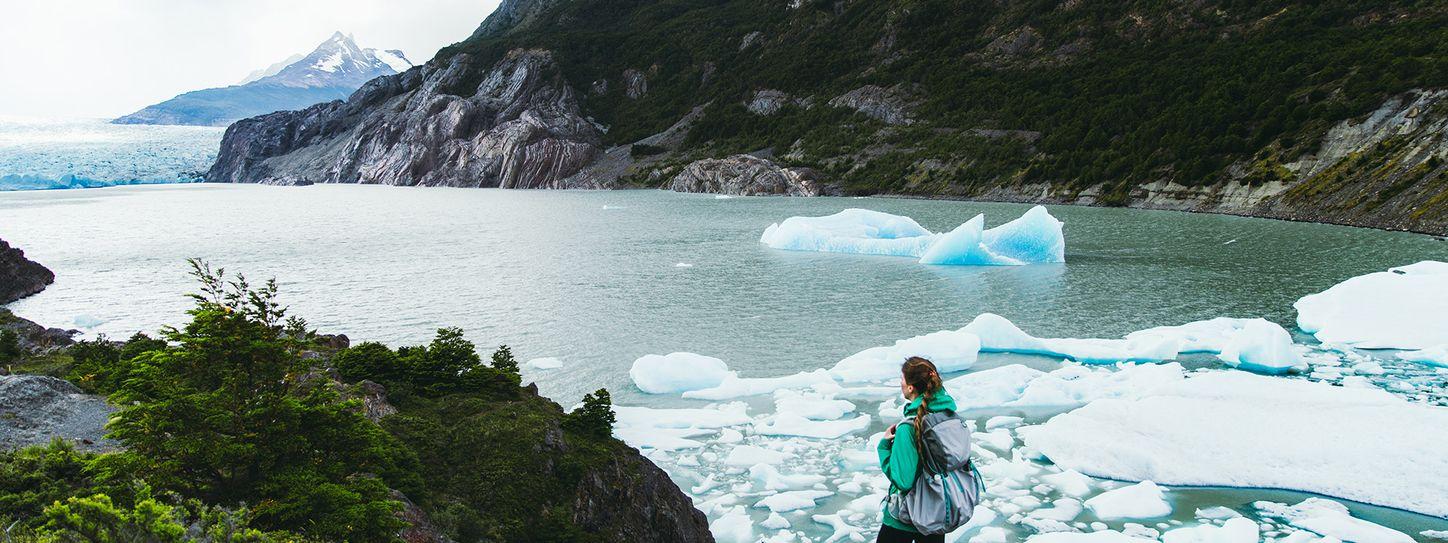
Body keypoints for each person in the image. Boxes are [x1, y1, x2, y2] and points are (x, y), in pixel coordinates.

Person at [876, 356, 957, 543]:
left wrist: (884, 448)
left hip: (906, 516)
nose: (901, 384)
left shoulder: (909, 427)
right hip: (938, 509)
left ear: (911, 387)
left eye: (902, 380)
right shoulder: (948, 415)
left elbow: (903, 481)